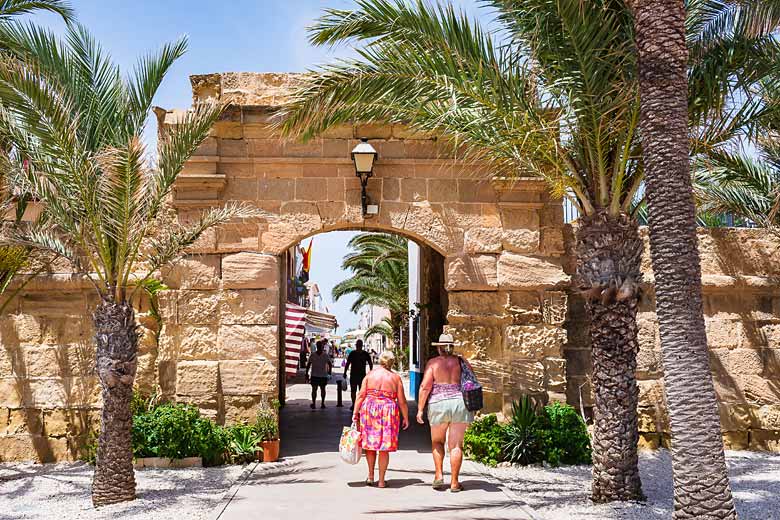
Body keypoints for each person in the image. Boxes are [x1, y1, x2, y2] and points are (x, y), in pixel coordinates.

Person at [416, 333, 475, 492]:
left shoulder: (433, 363)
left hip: (438, 404)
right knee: (456, 445)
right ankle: (455, 482)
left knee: (437, 441)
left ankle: (438, 475)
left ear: (439, 347)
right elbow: (471, 380)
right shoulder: (461, 362)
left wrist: (420, 409)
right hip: (459, 403)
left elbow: (425, 387)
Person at [352, 350, 409, 488]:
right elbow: (402, 401)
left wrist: (355, 413)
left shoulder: (370, 375)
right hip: (388, 411)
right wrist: (406, 417)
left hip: (369, 409)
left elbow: (360, 396)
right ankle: (382, 481)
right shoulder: (395, 378)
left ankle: (371, 476)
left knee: (371, 445)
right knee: (384, 447)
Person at [344, 339, 373, 410]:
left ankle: (355, 404)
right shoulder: (364, 354)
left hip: (356, 375)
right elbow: (370, 363)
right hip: (360, 375)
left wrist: (345, 372)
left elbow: (347, 364)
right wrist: (370, 372)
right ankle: (357, 404)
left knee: (355, 391)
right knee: (359, 391)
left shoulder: (353, 353)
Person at [305, 340, 332, 409]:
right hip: (323, 375)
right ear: (321, 346)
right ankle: (322, 403)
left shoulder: (313, 355)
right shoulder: (325, 355)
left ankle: (314, 403)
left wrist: (306, 374)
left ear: (317, 346)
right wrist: (329, 373)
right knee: (322, 389)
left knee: (314, 390)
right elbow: (330, 364)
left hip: (315, 375)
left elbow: (308, 365)